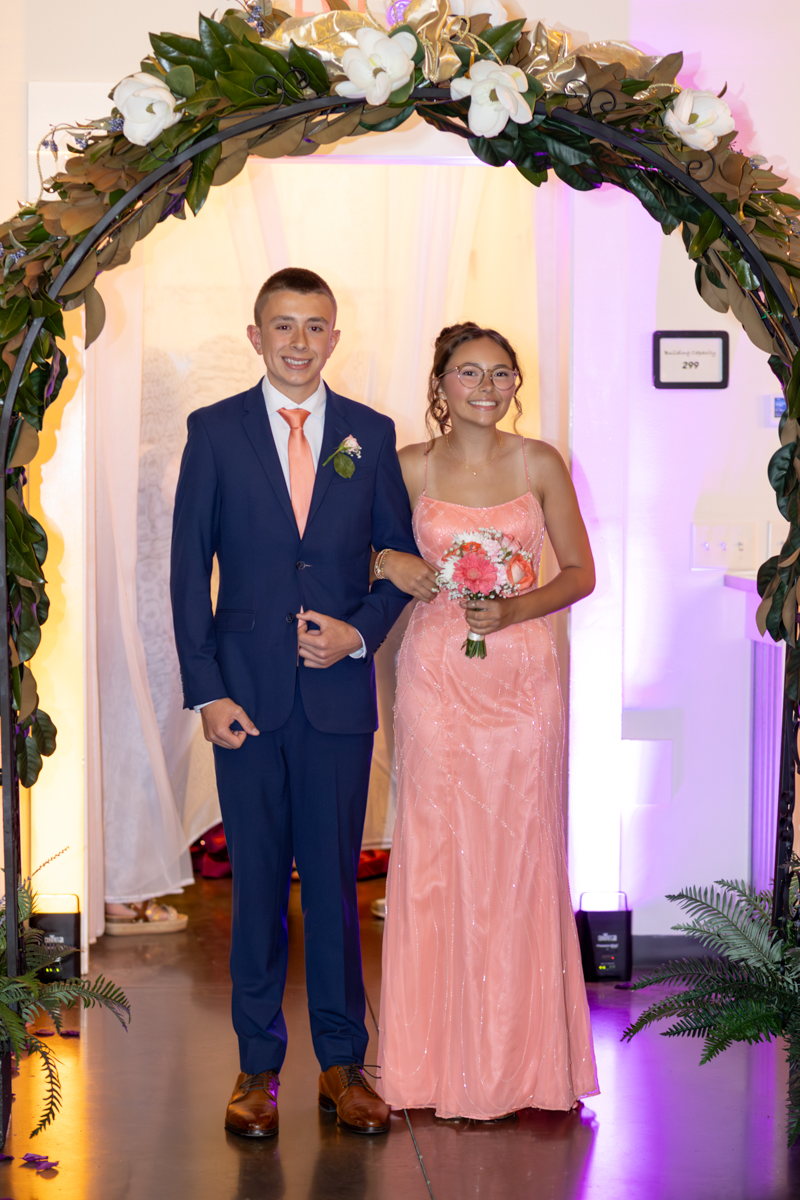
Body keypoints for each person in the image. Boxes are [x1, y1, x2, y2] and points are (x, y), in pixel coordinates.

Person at [170, 268, 418, 1138]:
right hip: (245, 699)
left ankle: (343, 1067)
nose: (300, 342)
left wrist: (359, 633)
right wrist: (205, 691)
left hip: (338, 700)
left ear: (336, 338)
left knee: (337, 892)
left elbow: (398, 555)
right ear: (256, 335)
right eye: (284, 326)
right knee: (259, 891)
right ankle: (255, 1070)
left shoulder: (371, 434)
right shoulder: (214, 431)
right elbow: (185, 571)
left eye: (316, 326)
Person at [376, 322, 600, 1120]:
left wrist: (512, 608)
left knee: (520, 853)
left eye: (499, 373)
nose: (484, 385)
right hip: (436, 677)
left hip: (521, 679)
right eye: (467, 372)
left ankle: (527, 1066)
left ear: (514, 383)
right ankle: (430, 1068)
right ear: (440, 383)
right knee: (438, 854)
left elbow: (580, 573)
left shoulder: (540, 461)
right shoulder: (407, 467)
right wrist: (383, 560)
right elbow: (357, 550)